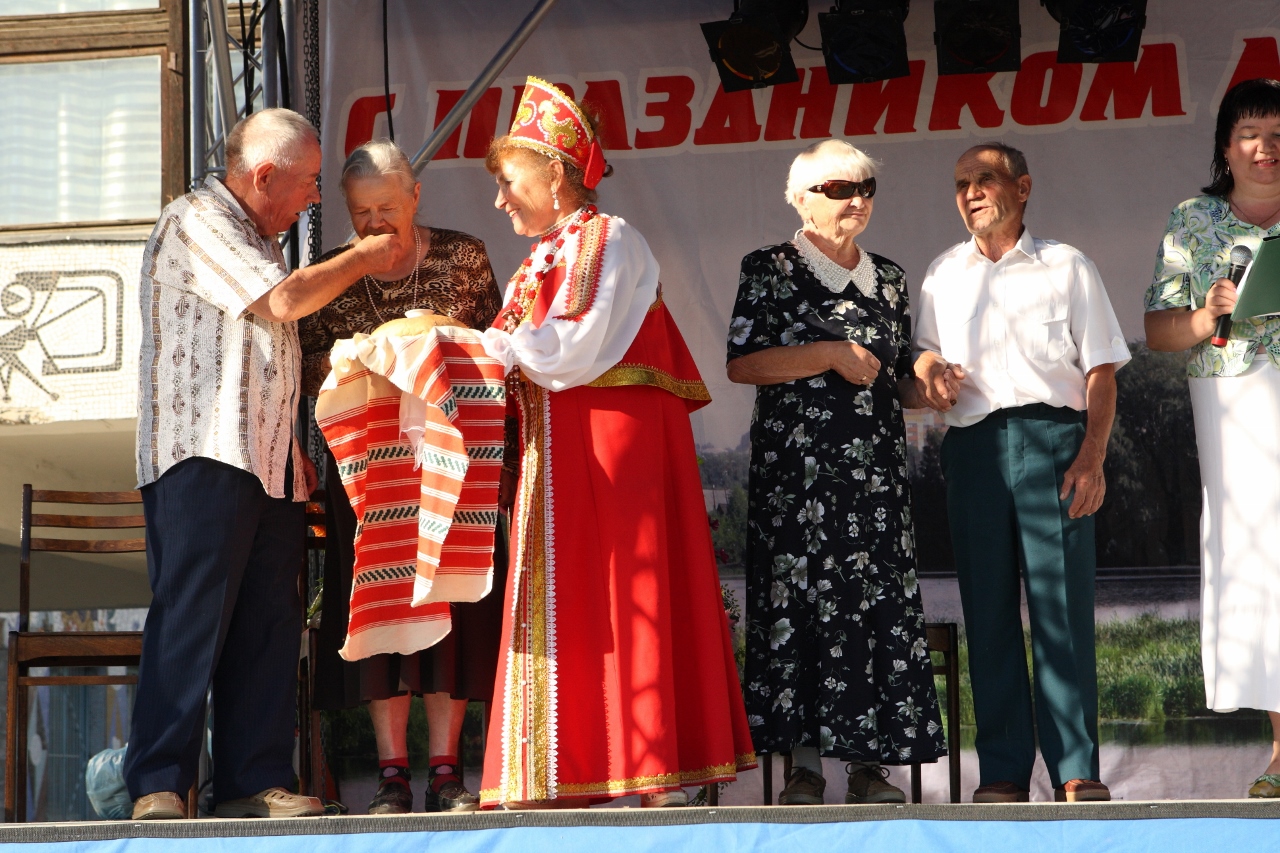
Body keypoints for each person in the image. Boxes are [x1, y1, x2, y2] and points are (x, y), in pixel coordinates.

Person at [477, 77, 756, 809]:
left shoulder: (610, 239)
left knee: (628, 591)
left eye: (509, 182)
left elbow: (576, 344)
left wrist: (487, 350)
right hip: (557, 453)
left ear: (555, 173)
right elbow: (514, 352)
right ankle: (564, 773)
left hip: (610, 449)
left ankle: (652, 770)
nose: (500, 201)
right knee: (575, 598)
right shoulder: (537, 260)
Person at [127, 109, 405, 819]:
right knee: (191, 616)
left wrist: (290, 450)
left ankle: (252, 782)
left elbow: (261, 354)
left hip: (267, 462)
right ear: (263, 175)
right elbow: (283, 302)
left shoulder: (258, 238)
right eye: (308, 181)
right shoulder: (197, 218)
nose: (314, 196)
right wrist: (363, 257)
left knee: (268, 626)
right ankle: (158, 781)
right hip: (203, 454)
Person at [725, 139, 947, 806]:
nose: (857, 200)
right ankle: (804, 766)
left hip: (875, 483)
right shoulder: (770, 268)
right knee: (800, 609)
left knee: (873, 610)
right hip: (798, 483)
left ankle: (868, 766)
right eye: (839, 188)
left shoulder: (891, 278)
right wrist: (827, 353)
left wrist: (929, 382)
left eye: (866, 188)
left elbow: (895, 380)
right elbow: (742, 362)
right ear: (801, 199)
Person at [913, 142, 1129, 804]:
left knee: (1061, 612)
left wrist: (1091, 455)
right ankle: (1002, 771)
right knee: (987, 612)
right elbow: (920, 365)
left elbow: (1101, 371)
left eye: (986, 178)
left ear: (1023, 187)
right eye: (961, 183)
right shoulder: (942, 274)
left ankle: (1076, 769)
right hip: (974, 449)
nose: (972, 192)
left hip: (1055, 443)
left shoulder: (1068, 265)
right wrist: (929, 374)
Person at [298, 140, 505, 814]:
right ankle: (391, 774)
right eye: (362, 212)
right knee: (378, 601)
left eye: (387, 207)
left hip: (452, 458)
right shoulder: (329, 272)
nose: (376, 222)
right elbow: (305, 365)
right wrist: (358, 358)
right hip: (367, 465)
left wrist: (438, 340)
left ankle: (446, 771)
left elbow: (498, 348)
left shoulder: (463, 255)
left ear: (416, 197)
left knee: (452, 608)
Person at [1143, 78, 1280, 799]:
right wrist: (1203, 317)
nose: (1266, 147)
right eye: (1250, 133)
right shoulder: (1192, 220)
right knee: (1259, 562)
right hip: (1233, 399)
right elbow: (1157, 329)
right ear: (1225, 146)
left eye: (1278, 134)